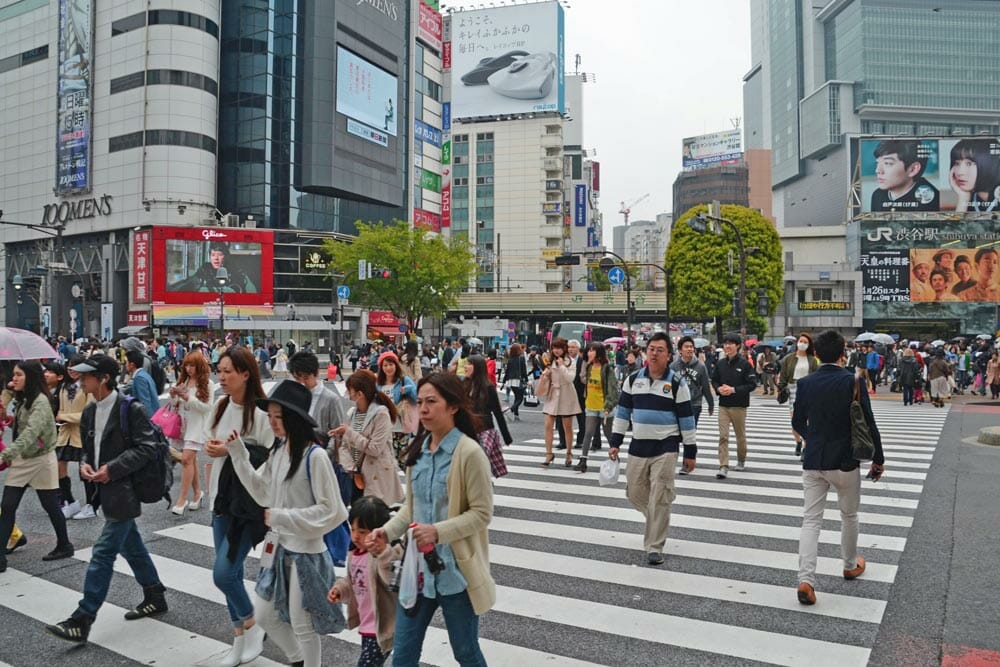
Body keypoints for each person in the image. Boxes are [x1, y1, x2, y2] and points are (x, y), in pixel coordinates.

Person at [367, 373, 495, 667]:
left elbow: (481, 513)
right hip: (417, 571)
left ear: (453, 407)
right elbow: (411, 509)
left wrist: (437, 532)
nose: (422, 409)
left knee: (466, 652)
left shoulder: (469, 453)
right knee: (404, 654)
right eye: (420, 402)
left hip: (456, 572)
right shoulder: (419, 451)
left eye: (431, 402)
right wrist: (386, 533)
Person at [224, 380, 348, 667]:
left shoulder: (314, 457)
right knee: (266, 616)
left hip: (307, 553)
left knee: (303, 625)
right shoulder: (279, 452)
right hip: (279, 549)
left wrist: (284, 517)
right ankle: (297, 661)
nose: (273, 422)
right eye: (270, 416)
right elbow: (262, 492)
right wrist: (239, 455)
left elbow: (334, 511)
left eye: (279, 417)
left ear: (294, 419)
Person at [45, 354, 166, 642]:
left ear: (104, 379)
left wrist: (112, 469)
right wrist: (87, 463)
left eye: (87, 376)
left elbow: (147, 447)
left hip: (124, 490)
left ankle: (83, 618)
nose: (81, 379)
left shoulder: (129, 408)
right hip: (105, 488)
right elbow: (89, 446)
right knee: (131, 546)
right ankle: (155, 593)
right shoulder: (89, 410)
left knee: (102, 553)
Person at [791, 330, 885, 606]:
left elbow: (797, 422)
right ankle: (849, 563)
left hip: (814, 460)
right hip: (845, 460)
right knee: (849, 515)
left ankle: (805, 580)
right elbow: (868, 422)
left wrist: (812, 438)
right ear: (843, 352)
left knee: (811, 520)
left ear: (816, 354)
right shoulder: (853, 381)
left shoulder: (807, 383)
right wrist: (878, 458)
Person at [203, 347, 275, 667]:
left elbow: (271, 459)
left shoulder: (261, 414)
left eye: (229, 370)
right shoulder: (219, 406)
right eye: (219, 370)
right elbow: (212, 444)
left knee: (224, 573)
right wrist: (213, 449)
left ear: (246, 374)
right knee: (226, 572)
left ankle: (252, 622)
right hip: (220, 498)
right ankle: (239, 637)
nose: (222, 376)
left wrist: (233, 451)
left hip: (247, 506)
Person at [608, 333, 696, 566]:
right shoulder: (632, 380)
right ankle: (658, 515)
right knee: (634, 491)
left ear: (669, 355)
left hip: (666, 446)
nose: (654, 353)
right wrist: (615, 442)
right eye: (651, 349)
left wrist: (690, 451)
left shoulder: (677, 382)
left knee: (659, 495)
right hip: (639, 444)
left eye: (660, 350)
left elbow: (687, 419)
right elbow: (623, 413)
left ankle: (654, 547)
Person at [0, 361, 75, 573]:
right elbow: (22, 426)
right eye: (13, 375)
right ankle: (0, 557)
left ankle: (64, 544)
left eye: (18, 375)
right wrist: (7, 416)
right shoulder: (24, 399)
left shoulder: (41, 402)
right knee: (8, 506)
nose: (13, 379)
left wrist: (5, 455)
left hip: (40, 459)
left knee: (50, 504)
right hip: (26, 458)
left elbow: (31, 432)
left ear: (30, 378)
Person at [328, 496, 402, 667]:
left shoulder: (383, 554)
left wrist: (383, 553)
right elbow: (351, 580)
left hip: (382, 625)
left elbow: (391, 579)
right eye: (353, 530)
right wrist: (339, 589)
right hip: (367, 623)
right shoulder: (355, 555)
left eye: (362, 532)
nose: (355, 536)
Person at [329, 370, 404, 506]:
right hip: (355, 476)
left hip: (376, 476)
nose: (348, 395)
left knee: (374, 520)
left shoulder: (381, 414)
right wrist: (342, 437)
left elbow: (375, 449)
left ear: (359, 394)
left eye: (349, 390)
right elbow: (346, 445)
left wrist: (349, 433)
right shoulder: (353, 413)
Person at [168, 351, 214, 514]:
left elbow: (207, 408)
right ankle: (197, 493)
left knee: (186, 459)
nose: (189, 368)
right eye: (186, 365)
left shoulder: (207, 384)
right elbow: (175, 405)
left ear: (199, 366)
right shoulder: (184, 381)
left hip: (197, 427)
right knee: (190, 460)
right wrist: (174, 396)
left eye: (192, 365)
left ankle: (181, 500)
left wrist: (189, 398)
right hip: (182, 426)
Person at [53, 354, 95, 519]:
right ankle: (69, 501)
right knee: (58, 465)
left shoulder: (87, 386)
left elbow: (89, 413)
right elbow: (61, 410)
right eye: (69, 366)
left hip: (82, 434)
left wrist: (65, 417)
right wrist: (62, 418)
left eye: (75, 366)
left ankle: (91, 504)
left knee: (85, 470)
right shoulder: (64, 387)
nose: (71, 370)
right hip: (65, 433)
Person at [710, 334, 757, 479]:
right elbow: (714, 380)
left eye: (731, 343)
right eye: (725, 344)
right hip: (723, 405)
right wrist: (718, 389)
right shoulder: (720, 364)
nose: (727, 346)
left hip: (739, 406)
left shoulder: (745, 365)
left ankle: (741, 460)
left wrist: (734, 390)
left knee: (740, 436)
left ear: (737, 346)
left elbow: (752, 384)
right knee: (723, 436)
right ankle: (723, 465)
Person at [574, 342, 619, 474]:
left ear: (598, 353)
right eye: (589, 351)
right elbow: (582, 380)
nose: (589, 353)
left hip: (604, 407)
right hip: (591, 405)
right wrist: (585, 364)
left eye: (592, 351)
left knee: (608, 434)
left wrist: (608, 406)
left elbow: (612, 389)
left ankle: (614, 457)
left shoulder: (607, 369)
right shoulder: (588, 367)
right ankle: (583, 460)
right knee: (588, 433)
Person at [464, 355, 512, 478]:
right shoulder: (465, 383)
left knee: (478, 462)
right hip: (467, 430)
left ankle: (481, 485)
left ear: (478, 368)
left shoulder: (488, 387)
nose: (465, 367)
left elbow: (497, 412)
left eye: (469, 364)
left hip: (484, 429)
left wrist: (506, 437)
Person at [776, 333, 820, 458]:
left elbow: (816, 376)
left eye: (806, 342)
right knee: (795, 420)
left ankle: (806, 446)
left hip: (808, 389)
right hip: (792, 388)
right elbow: (783, 375)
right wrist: (780, 388)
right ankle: (798, 441)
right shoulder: (789, 358)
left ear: (809, 345)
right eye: (801, 341)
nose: (803, 344)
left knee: (807, 420)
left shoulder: (812, 359)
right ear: (797, 342)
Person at [288, 351, 345, 444]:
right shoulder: (292, 397)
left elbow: (338, 433)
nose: (302, 383)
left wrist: (325, 454)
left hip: (320, 453)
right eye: (297, 378)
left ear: (317, 373)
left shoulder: (331, 399)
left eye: (306, 378)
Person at [539, 338, 580, 468]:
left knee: (567, 426)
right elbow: (546, 377)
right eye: (554, 348)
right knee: (548, 425)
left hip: (566, 394)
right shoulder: (549, 361)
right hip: (552, 394)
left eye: (559, 348)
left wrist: (562, 366)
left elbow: (570, 378)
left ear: (564, 349)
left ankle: (569, 453)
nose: (556, 351)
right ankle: (548, 453)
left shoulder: (570, 361)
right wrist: (545, 375)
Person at [869, 139, 940, 212]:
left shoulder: (930, 199)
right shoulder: (877, 195)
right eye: (877, 163)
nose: (878, 171)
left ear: (913, 169)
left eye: (887, 163)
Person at [375, 351, 418, 467]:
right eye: (385, 365)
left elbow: (417, 398)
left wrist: (409, 389)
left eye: (391, 364)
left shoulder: (404, 380)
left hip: (400, 427)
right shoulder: (378, 384)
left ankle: (409, 483)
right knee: (386, 462)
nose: (388, 368)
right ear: (381, 367)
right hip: (384, 428)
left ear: (396, 365)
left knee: (403, 461)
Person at [170, 242, 258, 293]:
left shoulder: (238, 273)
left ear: (226, 256)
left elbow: (252, 294)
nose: (216, 258)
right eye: (213, 255)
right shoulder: (202, 272)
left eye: (220, 255)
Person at [671, 336, 715, 429]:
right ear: (680, 350)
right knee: (677, 431)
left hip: (695, 403)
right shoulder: (674, 366)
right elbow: (670, 385)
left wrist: (711, 404)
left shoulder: (701, 366)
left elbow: (705, 386)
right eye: (686, 347)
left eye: (691, 347)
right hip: (678, 403)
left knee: (691, 430)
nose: (689, 349)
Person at [948, 138, 1000, 212]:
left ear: (988, 164)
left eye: (969, 164)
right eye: (957, 163)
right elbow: (957, 224)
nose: (960, 172)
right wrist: (963, 198)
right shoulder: (973, 198)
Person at [125, 350, 159, 417]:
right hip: (155, 414)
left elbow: (145, 403)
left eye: (126, 362)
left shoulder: (139, 378)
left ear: (132, 365)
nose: (125, 365)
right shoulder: (144, 374)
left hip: (150, 418)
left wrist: (148, 422)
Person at [502, 343, 528, 421]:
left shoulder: (510, 359)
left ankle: (516, 415)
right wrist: (526, 380)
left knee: (517, 397)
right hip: (518, 380)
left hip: (511, 381)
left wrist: (503, 381)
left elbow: (507, 371)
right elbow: (524, 371)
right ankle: (510, 410)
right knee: (520, 398)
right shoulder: (521, 358)